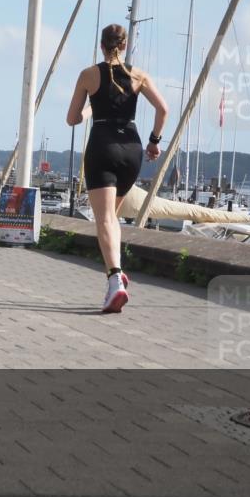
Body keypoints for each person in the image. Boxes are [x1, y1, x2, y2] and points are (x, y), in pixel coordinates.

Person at [66, 23, 167, 314]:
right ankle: (117, 274)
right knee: (112, 218)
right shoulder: (139, 75)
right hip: (132, 149)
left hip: (103, 146)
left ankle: (114, 281)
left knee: (105, 220)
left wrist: (90, 109)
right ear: (124, 46)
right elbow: (163, 110)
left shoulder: (88, 74)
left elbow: (72, 119)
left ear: (101, 45)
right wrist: (154, 142)